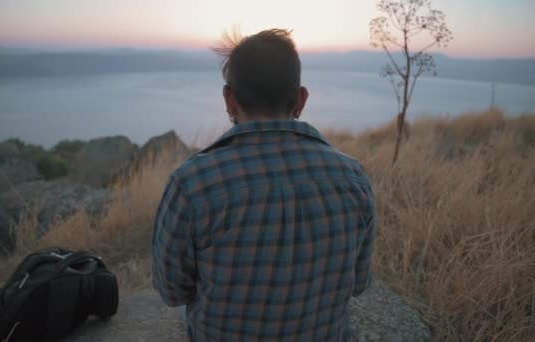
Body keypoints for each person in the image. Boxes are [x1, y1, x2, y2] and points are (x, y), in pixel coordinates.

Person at [152, 28, 375, 341]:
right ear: (300, 99)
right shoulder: (354, 178)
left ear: (230, 99)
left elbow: (172, 291)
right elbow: (358, 283)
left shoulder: (191, 185)